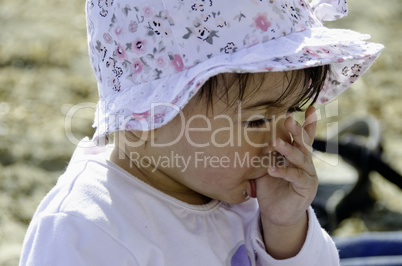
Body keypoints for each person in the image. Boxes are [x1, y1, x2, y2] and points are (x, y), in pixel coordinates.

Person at [20, 0, 383, 265]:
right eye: (257, 121)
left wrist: (285, 228)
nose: (281, 142)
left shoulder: (243, 192)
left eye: (291, 111)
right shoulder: (86, 230)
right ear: (145, 119)